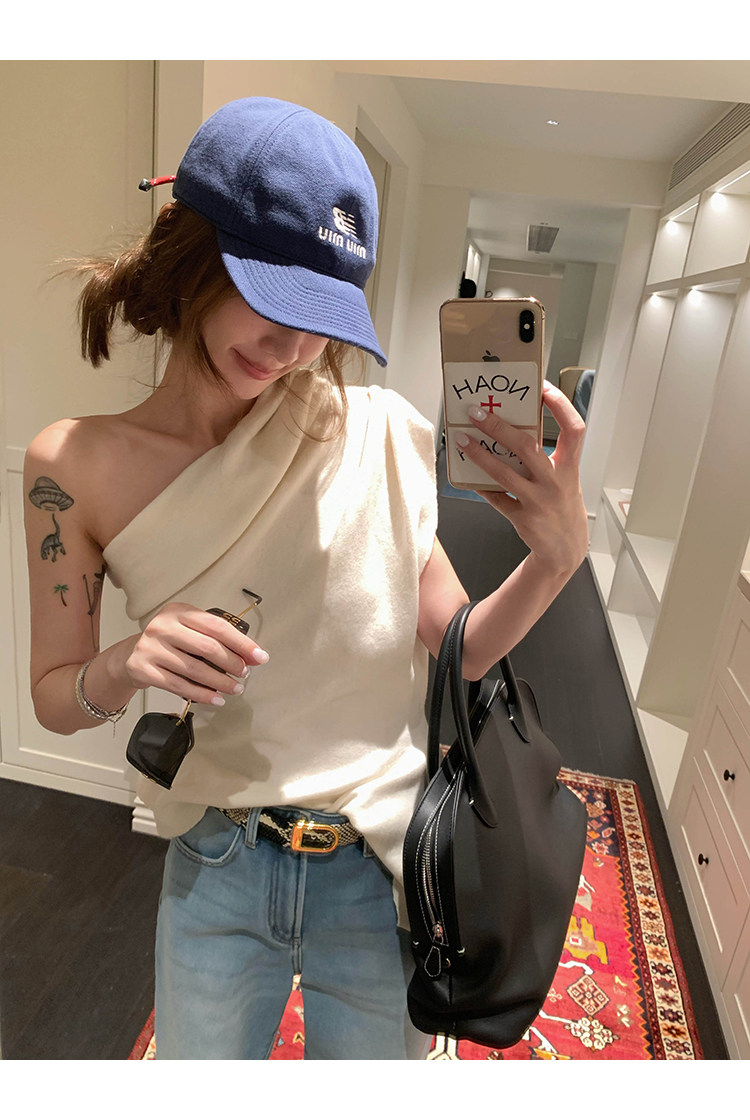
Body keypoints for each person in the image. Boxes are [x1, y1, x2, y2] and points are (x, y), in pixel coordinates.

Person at [23, 97, 589, 1060]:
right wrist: (125, 663)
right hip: (217, 867)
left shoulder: (374, 437)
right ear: (192, 251)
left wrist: (556, 560)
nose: (292, 349)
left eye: (321, 321)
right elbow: (54, 698)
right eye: (271, 300)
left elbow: (461, 647)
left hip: (379, 870)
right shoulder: (71, 468)